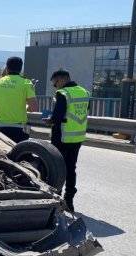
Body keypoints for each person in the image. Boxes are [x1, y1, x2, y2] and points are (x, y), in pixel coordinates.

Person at [44, 69, 90, 212]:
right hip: (77, 138)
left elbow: (57, 117)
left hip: (62, 137)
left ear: (61, 80)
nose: (55, 87)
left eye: (55, 83)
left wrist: (49, 120)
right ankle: (69, 201)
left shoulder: (63, 94)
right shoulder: (84, 92)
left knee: (57, 169)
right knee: (71, 169)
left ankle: (56, 198)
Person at [0, 57, 38, 143]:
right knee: (18, 155)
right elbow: (33, 108)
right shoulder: (26, 83)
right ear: (20, 68)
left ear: (7, 68)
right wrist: (24, 107)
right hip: (19, 130)